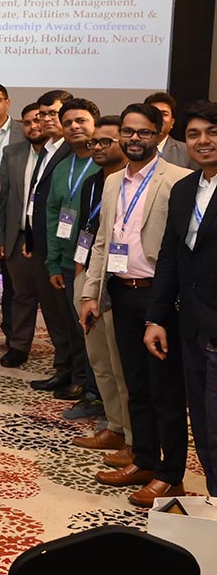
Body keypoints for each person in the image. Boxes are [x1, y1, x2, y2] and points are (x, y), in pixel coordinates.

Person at [80, 104, 193, 508]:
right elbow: (102, 242)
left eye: (143, 132)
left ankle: (170, 475)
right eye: (128, 131)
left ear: (159, 134)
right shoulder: (113, 181)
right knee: (135, 385)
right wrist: (91, 293)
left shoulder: (178, 180)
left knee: (166, 390)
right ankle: (144, 459)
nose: (134, 139)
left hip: (159, 296)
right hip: (120, 291)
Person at [149, 100, 217, 496]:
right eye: (194, 134)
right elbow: (171, 257)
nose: (203, 141)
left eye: (212, 132)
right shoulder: (185, 189)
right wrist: (156, 317)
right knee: (204, 425)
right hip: (190, 326)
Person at [71, 116, 133, 462]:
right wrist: (82, 275)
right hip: (92, 276)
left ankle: (135, 439)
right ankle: (115, 426)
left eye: (105, 141)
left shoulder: (142, 182)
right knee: (100, 359)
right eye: (94, 142)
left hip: (126, 281)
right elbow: (90, 231)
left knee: (123, 363)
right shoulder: (95, 183)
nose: (96, 147)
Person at [43, 98, 103, 410]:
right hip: (67, 261)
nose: (74, 127)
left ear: (95, 124)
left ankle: (94, 391)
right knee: (73, 325)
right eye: (67, 123)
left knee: (93, 331)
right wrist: (53, 261)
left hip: (96, 264)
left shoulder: (105, 163)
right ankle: (79, 378)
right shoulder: (62, 167)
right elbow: (54, 216)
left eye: (81, 121)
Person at [24, 90, 77, 386]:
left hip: (62, 247)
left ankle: (77, 375)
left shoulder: (72, 151)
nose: (45, 119)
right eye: (42, 114)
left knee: (68, 315)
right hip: (41, 244)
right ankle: (63, 367)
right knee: (53, 313)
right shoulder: (46, 149)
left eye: (53, 114)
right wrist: (30, 237)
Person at [0, 104, 49, 367]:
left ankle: (65, 353)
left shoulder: (61, 154)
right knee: (21, 295)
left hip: (49, 241)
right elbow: (2, 198)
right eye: (27, 123)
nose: (33, 126)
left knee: (53, 300)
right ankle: (19, 345)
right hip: (18, 237)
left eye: (38, 120)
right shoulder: (12, 153)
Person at [146, 91, 200, 170]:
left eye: (164, 114)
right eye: (154, 113)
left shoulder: (187, 151)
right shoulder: (133, 148)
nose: (159, 118)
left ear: (172, 122)